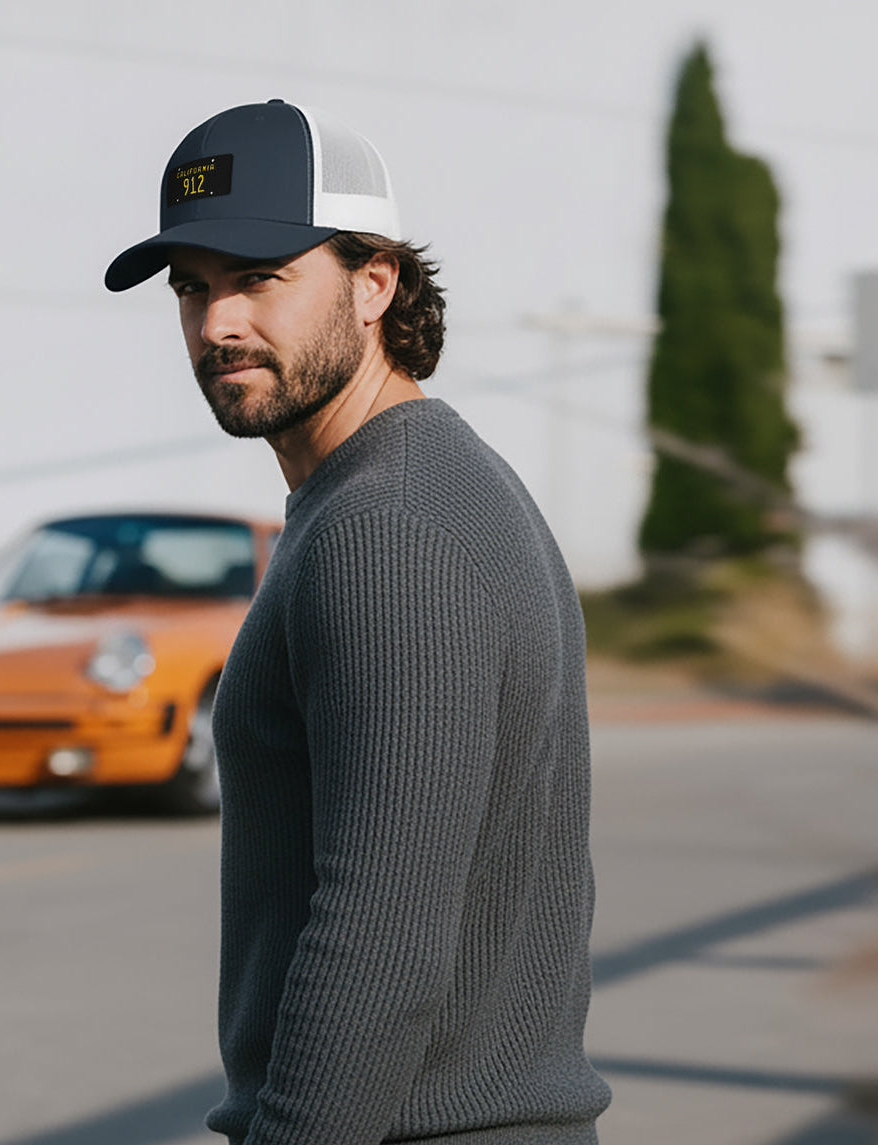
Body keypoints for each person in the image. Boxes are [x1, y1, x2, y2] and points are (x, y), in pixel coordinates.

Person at [105, 100, 612, 1145]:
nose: (217, 325)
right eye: (191, 287)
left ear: (373, 282)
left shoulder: (388, 529)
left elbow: (377, 945)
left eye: (259, 277)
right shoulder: (403, 491)